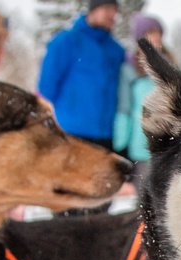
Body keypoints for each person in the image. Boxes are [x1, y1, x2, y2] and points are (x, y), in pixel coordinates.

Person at [38, 0, 125, 150]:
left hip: (106, 135)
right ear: (93, 9)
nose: (112, 15)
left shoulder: (116, 50)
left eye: (115, 10)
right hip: (70, 133)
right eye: (107, 9)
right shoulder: (65, 42)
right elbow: (46, 89)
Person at [115, 13, 167, 195]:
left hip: (168, 143)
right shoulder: (130, 69)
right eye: (150, 32)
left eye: (158, 32)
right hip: (141, 144)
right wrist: (119, 143)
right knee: (144, 199)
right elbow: (125, 106)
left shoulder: (170, 65)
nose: (156, 37)